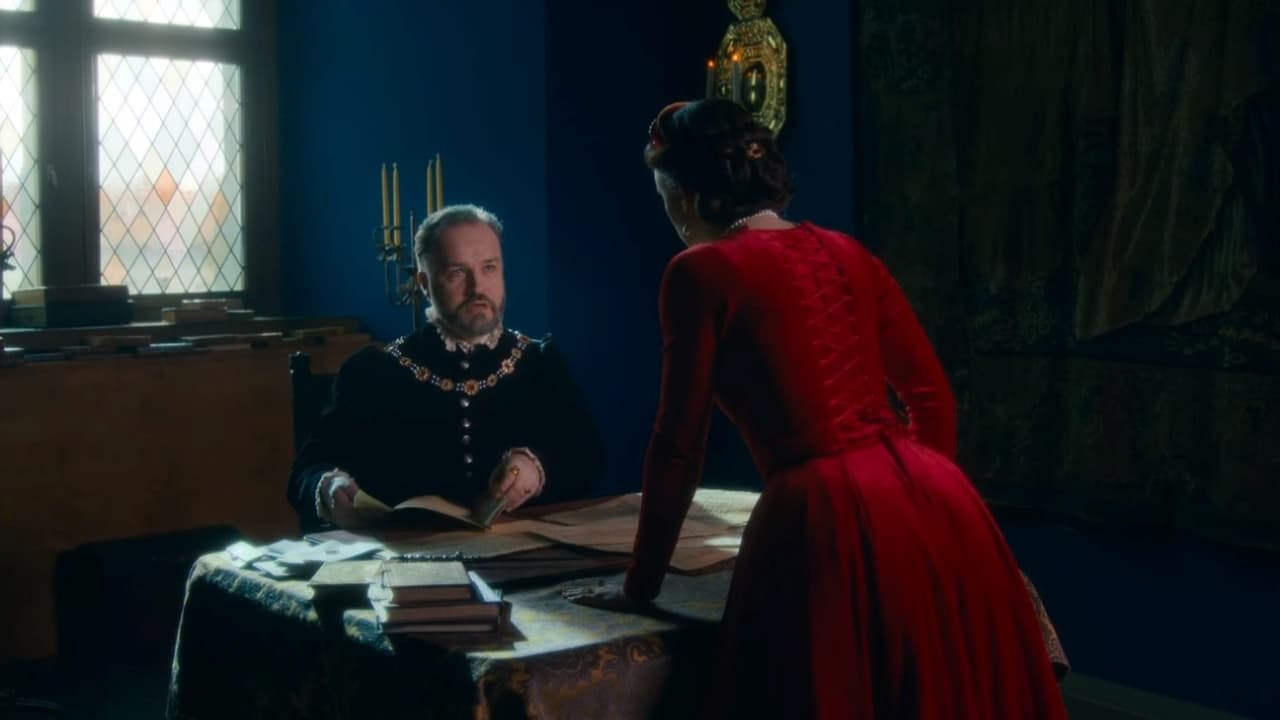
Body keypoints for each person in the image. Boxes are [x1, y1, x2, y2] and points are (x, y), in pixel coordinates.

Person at [564, 100, 1068, 718]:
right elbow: (932, 398)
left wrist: (641, 586)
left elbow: (678, 445)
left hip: (820, 512)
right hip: (937, 496)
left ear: (688, 197)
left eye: (665, 198)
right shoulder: (847, 252)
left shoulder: (698, 272)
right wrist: (917, 516)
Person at [288, 204, 605, 532]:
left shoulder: (540, 362)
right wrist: (329, 487)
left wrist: (535, 468)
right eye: (457, 273)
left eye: (489, 268)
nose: (477, 288)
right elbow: (306, 472)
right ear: (424, 283)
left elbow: (588, 461)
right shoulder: (373, 371)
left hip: (520, 553)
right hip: (405, 553)